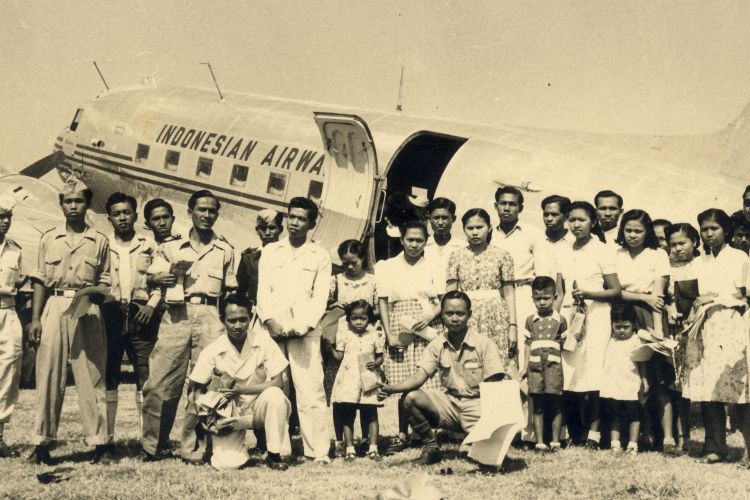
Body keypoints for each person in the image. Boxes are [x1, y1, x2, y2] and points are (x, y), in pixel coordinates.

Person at [140, 189, 237, 463]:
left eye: (212, 211)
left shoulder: (225, 250)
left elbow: (230, 291)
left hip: (210, 316)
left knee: (207, 384)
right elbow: (152, 276)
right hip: (176, 315)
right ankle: (152, 446)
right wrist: (165, 277)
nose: (207, 215)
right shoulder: (171, 247)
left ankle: (195, 447)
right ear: (190, 212)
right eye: (201, 210)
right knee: (160, 382)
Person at [26, 180, 112, 465]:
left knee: (91, 374)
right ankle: (41, 442)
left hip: (87, 309)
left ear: (87, 204)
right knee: (49, 373)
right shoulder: (49, 238)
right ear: (61, 204)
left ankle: (99, 442)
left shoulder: (99, 240)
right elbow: (40, 280)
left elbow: (106, 282)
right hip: (55, 306)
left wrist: (94, 294)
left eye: (78, 201)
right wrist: (36, 318)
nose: (73, 206)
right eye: (67, 201)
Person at [377, 291, 507, 465]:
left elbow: (495, 387)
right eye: (449, 313)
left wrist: (490, 425)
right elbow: (419, 376)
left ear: (469, 314)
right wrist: (391, 388)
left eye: (460, 314)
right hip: (451, 405)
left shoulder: (484, 344)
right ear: (442, 315)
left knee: (484, 458)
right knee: (410, 398)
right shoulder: (437, 344)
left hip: (479, 406)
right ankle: (431, 448)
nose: (454, 318)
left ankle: (476, 439)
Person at [256, 196, 332, 463]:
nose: (294, 223)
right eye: (291, 217)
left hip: (304, 333)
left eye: (301, 219)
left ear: (311, 224)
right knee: (277, 390)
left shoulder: (320, 255)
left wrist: (301, 326)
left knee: (311, 391)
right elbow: (263, 292)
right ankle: (279, 448)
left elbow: (320, 297)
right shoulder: (270, 251)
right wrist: (270, 321)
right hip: (273, 331)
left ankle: (318, 450)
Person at [188, 295, 291, 470]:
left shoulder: (264, 341)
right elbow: (197, 390)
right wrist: (205, 420)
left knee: (275, 396)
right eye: (232, 320)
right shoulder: (212, 350)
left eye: (243, 320)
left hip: (258, 406)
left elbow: (278, 382)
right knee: (227, 464)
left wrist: (243, 389)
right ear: (222, 320)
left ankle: (274, 453)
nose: (238, 326)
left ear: (250, 318)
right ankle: (226, 446)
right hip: (227, 414)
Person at [682, 209, 749, 464]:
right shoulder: (699, 262)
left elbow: (745, 296)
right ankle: (716, 447)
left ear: (726, 230)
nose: (709, 234)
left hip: (731, 324)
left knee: (738, 390)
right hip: (705, 326)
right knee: (708, 388)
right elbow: (689, 294)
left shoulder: (739, 257)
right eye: (705, 229)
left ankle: (748, 449)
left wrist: (717, 298)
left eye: (714, 228)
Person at [555, 201, 621, 449]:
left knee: (593, 374)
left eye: (581, 219)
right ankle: (575, 432)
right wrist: (557, 319)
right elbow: (561, 291)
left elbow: (615, 290)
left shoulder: (603, 250)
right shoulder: (562, 250)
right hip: (571, 318)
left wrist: (590, 294)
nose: (575, 224)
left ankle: (594, 435)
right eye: (571, 219)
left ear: (593, 222)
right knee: (570, 375)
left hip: (597, 317)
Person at [376, 220, 444, 453]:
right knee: (402, 379)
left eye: (420, 240)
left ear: (426, 241)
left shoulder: (435, 264)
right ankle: (402, 434)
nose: (414, 245)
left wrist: (429, 317)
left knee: (429, 380)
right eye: (410, 240)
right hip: (400, 323)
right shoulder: (387, 266)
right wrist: (389, 334)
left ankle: (425, 432)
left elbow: (443, 299)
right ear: (402, 240)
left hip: (428, 322)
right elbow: (383, 300)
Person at [102, 192, 161, 450]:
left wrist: (150, 305)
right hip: (111, 314)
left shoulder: (148, 245)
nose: (122, 218)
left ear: (135, 215)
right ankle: (107, 439)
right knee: (110, 373)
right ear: (109, 218)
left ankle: (146, 440)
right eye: (117, 214)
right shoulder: (103, 245)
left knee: (144, 374)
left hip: (141, 313)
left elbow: (160, 281)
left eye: (127, 212)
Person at [613, 209, 674, 452]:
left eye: (638, 231)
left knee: (656, 378)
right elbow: (615, 290)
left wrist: (658, 331)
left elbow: (657, 296)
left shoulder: (658, 255)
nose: (633, 235)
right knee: (630, 377)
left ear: (647, 231)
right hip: (623, 315)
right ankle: (642, 436)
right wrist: (641, 297)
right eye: (628, 230)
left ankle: (667, 437)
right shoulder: (615, 254)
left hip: (651, 316)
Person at [492, 186, 542, 445]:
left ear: (521, 208)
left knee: (526, 360)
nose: (507, 208)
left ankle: (530, 430)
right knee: (502, 361)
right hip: (497, 299)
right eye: (502, 203)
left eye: (512, 204)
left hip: (525, 295)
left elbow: (543, 274)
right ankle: (504, 429)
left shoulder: (533, 235)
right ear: (496, 206)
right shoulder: (489, 236)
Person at [322, 239, 378, 457]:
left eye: (353, 262)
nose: (349, 267)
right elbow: (320, 303)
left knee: (366, 393)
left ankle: (367, 440)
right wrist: (333, 306)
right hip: (340, 341)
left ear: (362, 258)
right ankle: (340, 441)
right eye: (345, 263)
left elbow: (377, 309)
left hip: (365, 342)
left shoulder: (373, 281)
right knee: (340, 395)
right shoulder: (335, 280)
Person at [446, 208, 517, 368]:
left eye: (480, 227)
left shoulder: (502, 255)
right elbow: (450, 294)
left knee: (497, 361)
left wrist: (512, 326)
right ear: (464, 230)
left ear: (490, 227)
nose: (475, 232)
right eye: (470, 228)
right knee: (468, 360)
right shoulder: (456, 256)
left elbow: (509, 293)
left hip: (496, 316)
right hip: (466, 317)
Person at [328, 300, 384, 461]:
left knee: (371, 413)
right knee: (348, 415)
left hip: (367, 378)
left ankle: (373, 448)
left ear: (369, 319)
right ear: (348, 319)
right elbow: (339, 356)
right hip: (349, 379)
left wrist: (376, 363)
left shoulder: (374, 335)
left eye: (363, 318)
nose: (359, 322)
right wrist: (328, 347)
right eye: (354, 318)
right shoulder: (344, 335)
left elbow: (380, 356)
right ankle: (349, 448)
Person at [664, 223, 702, 454]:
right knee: (673, 385)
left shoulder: (701, 266)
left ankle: (691, 437)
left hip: (695, 331)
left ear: (695, 242)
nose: (677, 249)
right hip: (671, 331)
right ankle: (675, 436)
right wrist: (669, 307)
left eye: (682, 243)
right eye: (673, 244)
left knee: (690, 386)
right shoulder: (666, 267)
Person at [521, 276, 567, 452]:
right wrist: (525, 367)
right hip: (535, 367)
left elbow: (564, 345)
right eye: (537, 298)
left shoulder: (560, 320)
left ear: (555, 297)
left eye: (546, 298)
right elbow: (527, 344)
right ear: (532, 298)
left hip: (554, 367)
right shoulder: (530, 320)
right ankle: (539, 442)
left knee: (555, 404)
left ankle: (556, 441)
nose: (542, 302)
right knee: (538, 405)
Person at [600, 303, 649, 455]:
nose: (621, 330)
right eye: (618, 326)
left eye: (625, 327)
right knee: (615, 414)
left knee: (634, 414)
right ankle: (615, 444)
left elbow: (641, 363)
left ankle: (632, 445)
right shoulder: (611, 340)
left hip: (630, 383)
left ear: (633, 325)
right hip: (613, 383)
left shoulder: (635, 341)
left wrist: (644, 380)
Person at [0, 195, 24, 457]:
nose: (5, 221)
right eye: (0, 216)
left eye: (8, 216)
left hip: (7, 311)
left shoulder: (16, 250)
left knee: (8, 370)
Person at [236, 209, 284, 308]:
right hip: (254, 312)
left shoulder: (289, 257)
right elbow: (241, 291)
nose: (267, 232)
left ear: (281, 229)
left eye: (271, 228)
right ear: (257, 230)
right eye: (262, 228)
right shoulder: (248, 258)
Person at [424, 197, 464, 294]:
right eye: (436, 218)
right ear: (429, 219)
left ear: (453, 219)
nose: (440, 222)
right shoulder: (421, 246)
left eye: (445, 218)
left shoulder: (463, 247)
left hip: (454, 301)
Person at [534, 195, 574, 280]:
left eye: (554, 214)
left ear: (566, 216)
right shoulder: (536, 241)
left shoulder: (575, 241)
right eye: (546, 214)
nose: (549, 219)